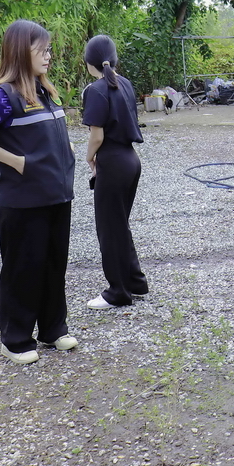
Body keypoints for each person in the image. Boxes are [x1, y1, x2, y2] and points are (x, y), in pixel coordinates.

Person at [0, 20, 77, 364]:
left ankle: (53, 329)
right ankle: (15, 339)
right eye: (42, 50)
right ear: (20, 52)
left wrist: (67, 150)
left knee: (54, 265)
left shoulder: (44, 91)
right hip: (23, 200)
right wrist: (16, 161)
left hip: (57, 194)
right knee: (24, 268)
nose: (48, 56)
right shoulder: (2, 96)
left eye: (49, 50)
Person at [81, 35, 147, 309]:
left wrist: (89, 158)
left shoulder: (95, 90)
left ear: (89, 63)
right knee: (120, 224)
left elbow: (97, 136)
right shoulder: (126, 84)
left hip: (112, 162)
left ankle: (118, 292)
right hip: (130, 160)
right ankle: (136, 282)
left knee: (109, 229)